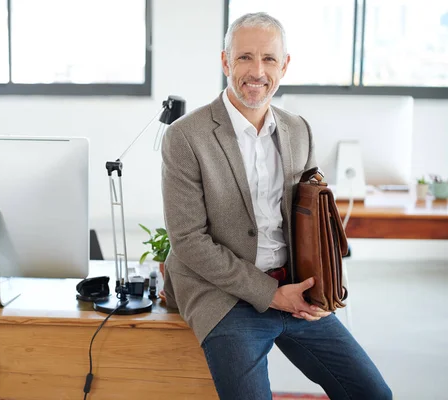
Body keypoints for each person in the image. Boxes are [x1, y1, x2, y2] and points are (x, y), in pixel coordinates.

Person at [160, 12, 392, 400]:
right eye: (245, 57)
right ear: (224, 62)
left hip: (294, 288)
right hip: (224, 294)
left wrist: (324, 288)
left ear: (284, 65)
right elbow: (188, 241)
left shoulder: (298, 129)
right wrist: (269, 294)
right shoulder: (186, 136)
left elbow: (316, 222)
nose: (257, 71)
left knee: (373, 394)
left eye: (269, 59)